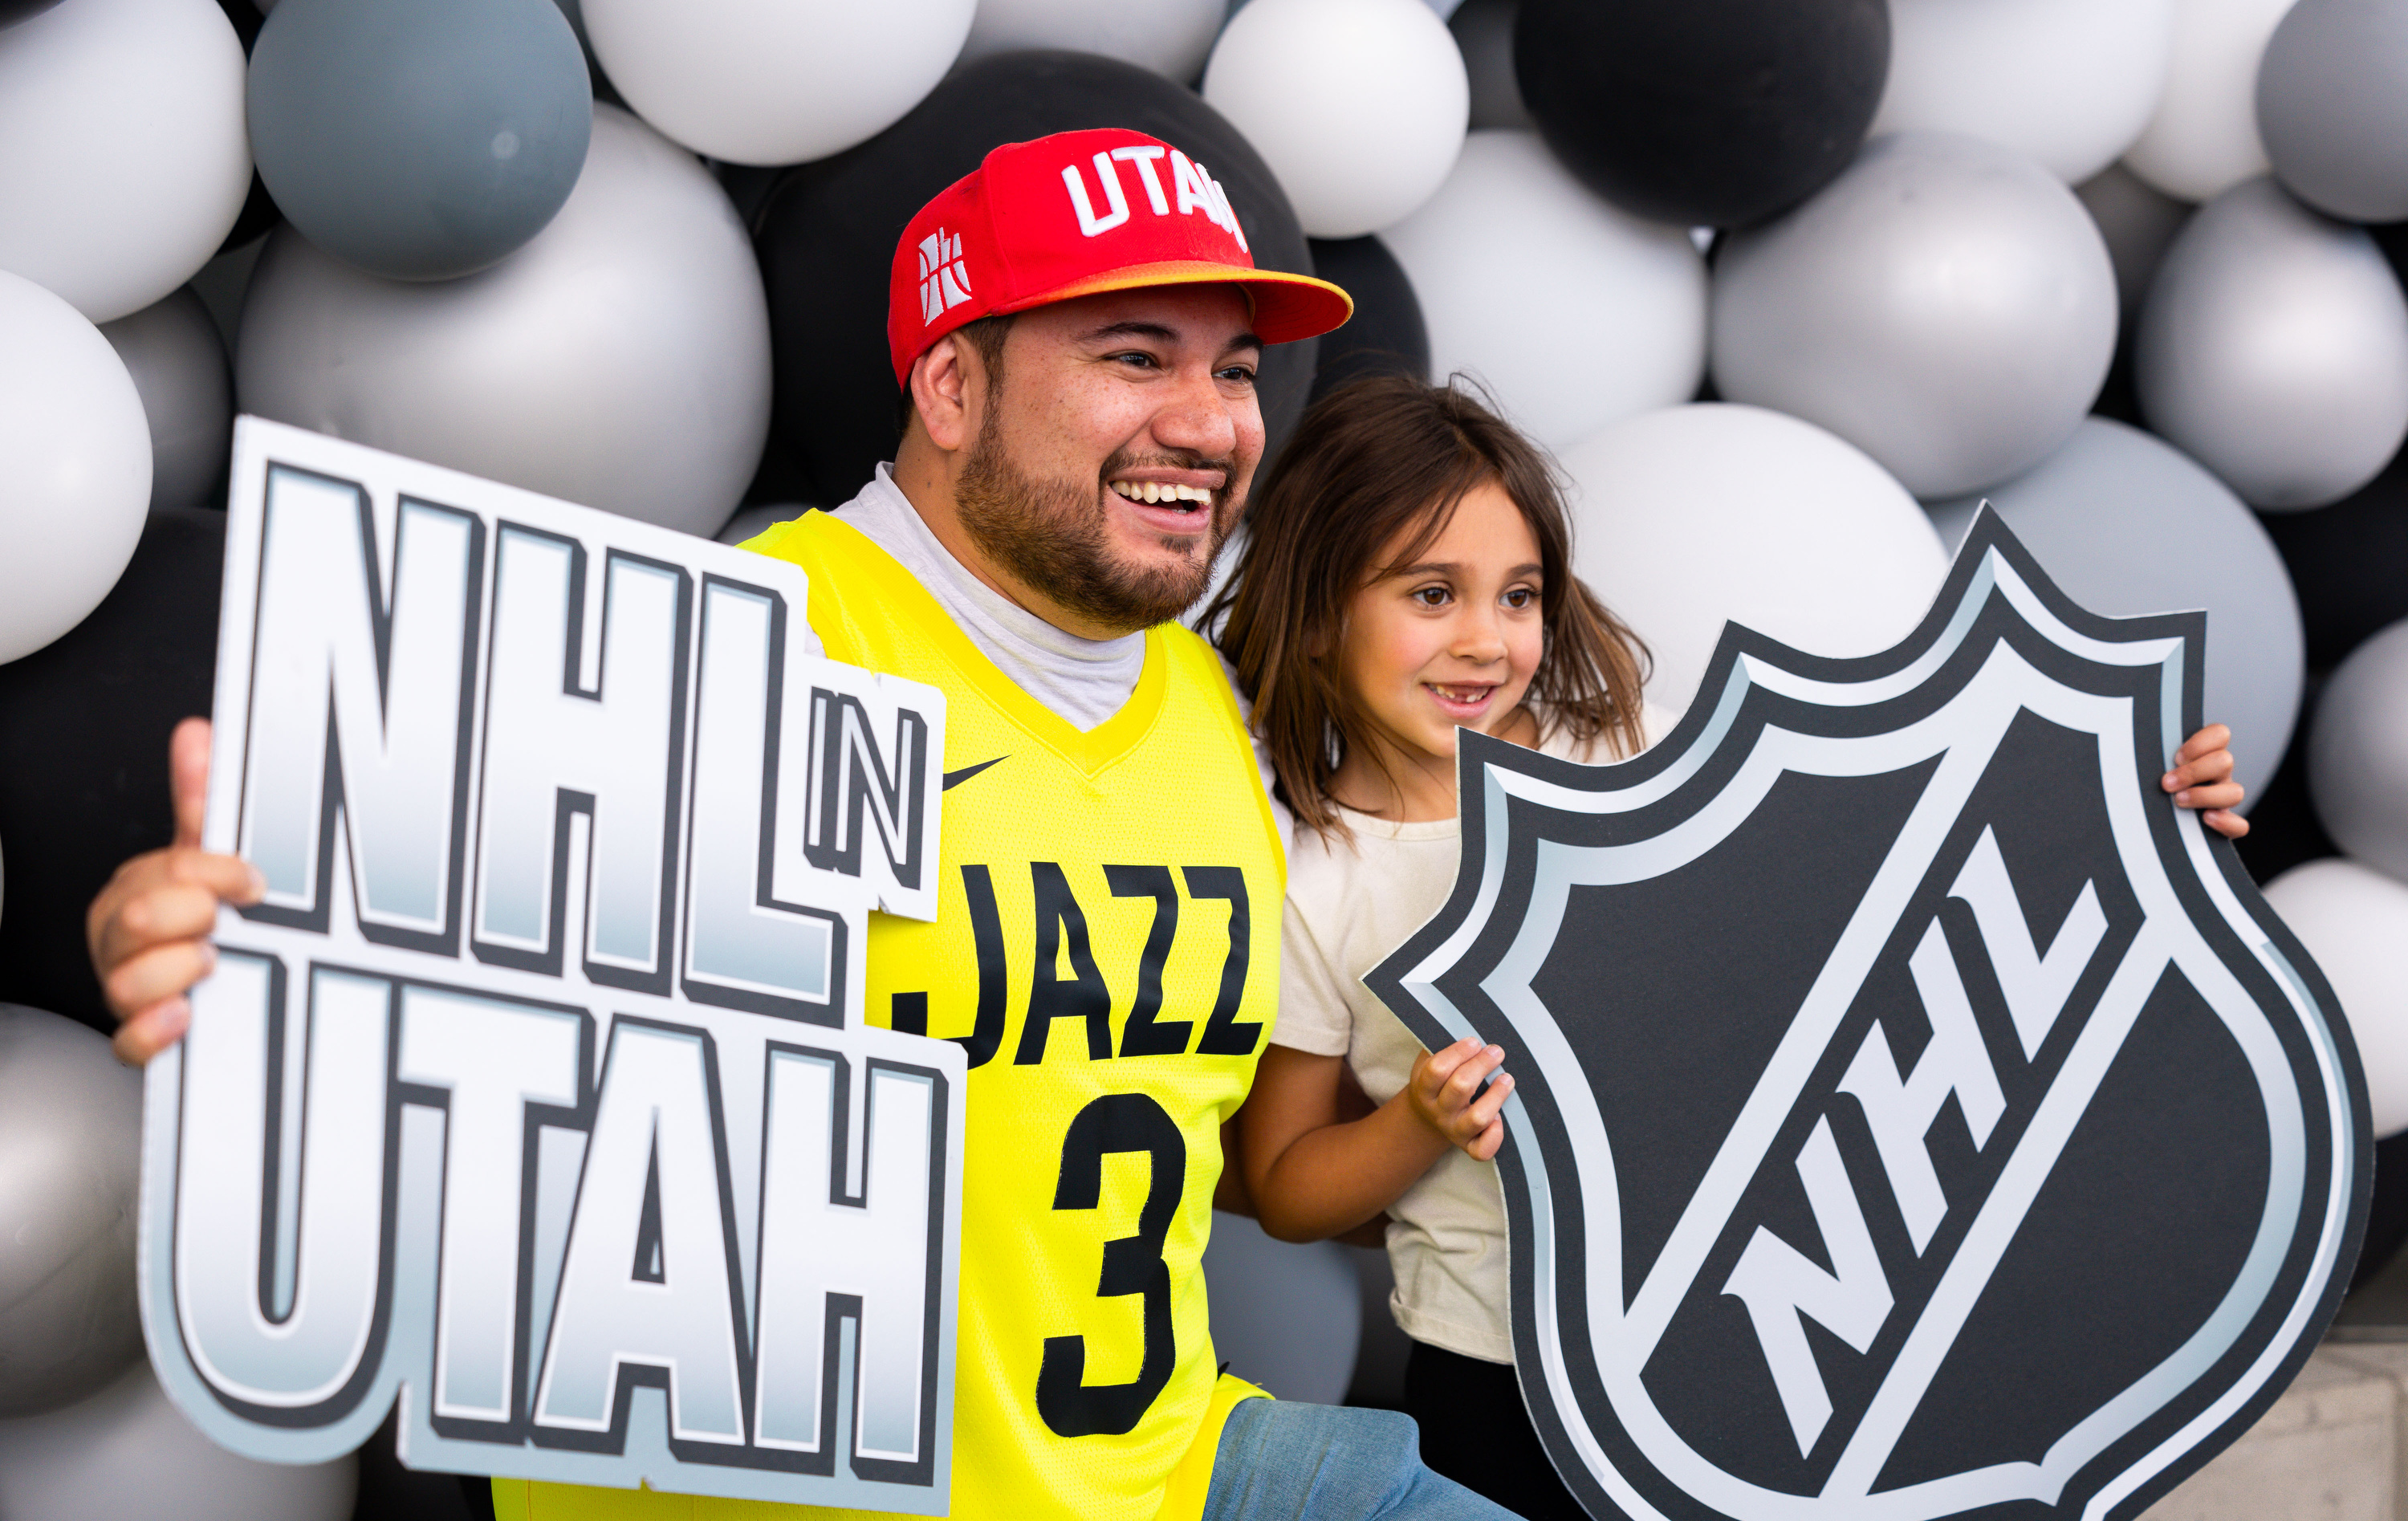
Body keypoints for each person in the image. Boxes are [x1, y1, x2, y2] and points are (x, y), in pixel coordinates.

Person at [86, 129, 1523, 1521]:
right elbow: (404, 961)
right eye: (1133, 355)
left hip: (1164, 1467)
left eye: (1233, 371)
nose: (1212, 425)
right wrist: (228, 948)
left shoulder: (1213, 706)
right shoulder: (741, 646)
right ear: (952, 387)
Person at [1211, 373, 2252, 1521]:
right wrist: (1419, 1122)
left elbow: (1896, 893)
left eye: (1518, 596)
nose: (1485, 638)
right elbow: (1287, 1187)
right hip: (1500, 1376)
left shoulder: (1628, 757)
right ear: (1317, 612)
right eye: (1430, 592)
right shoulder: (1311, 881)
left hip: (1757, 1334)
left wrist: (2141, 802)